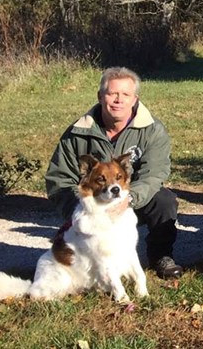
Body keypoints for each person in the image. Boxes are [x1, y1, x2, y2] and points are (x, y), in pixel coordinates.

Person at [44, 67, 183, 279]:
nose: (118, 100)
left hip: (132, 202)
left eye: (125, 94)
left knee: (164, 200)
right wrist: (82, 209)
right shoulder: (77, 133)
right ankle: (92, 264)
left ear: (135, 99)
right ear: (100, 96)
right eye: (112, 93)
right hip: (93, 208)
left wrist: (130, 199)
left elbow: (154, 174)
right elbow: (59, 179)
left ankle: (160, 256)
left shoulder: (152, 130)